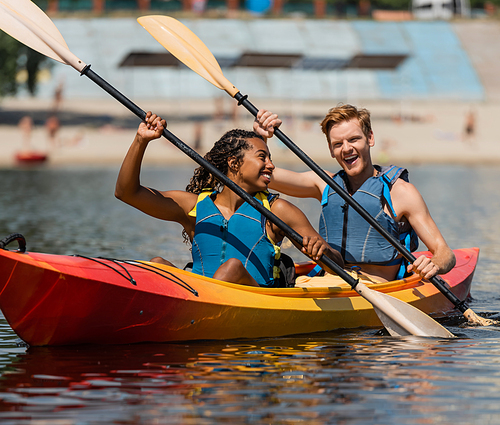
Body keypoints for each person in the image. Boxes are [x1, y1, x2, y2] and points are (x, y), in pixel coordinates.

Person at [115, 112, 343, 288]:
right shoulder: (193, 207)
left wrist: (324, 252)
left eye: (270, 158)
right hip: (199, 297)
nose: (271, 165)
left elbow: (337, 265)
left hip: (254, 300)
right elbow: (127, 193)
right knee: (157, 265)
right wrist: (140, 140)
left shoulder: (278, 210)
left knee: (232, 268)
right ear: (234, 164)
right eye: (262, 157)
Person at [254, 104, 456, 284]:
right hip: (329, 280)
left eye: (354, 139)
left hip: (378, 287)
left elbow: (445, 253)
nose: (347, 148)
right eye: (338, 144)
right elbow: (261, 174)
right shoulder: (323, 184)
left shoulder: (401, 192)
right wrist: (261, 138)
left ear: (370, 138)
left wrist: (434, 265)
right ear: (331, 150)